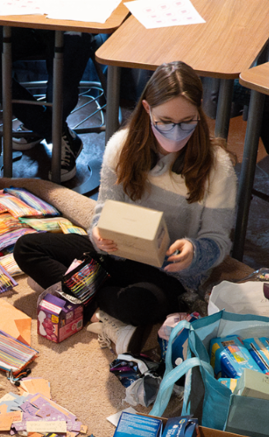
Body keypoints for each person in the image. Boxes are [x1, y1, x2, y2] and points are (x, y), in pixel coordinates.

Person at [13, 61, 237, 355]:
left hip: (169, 275)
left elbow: (218, 242)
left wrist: (194, 252)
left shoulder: (217, 165)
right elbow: (103, 214)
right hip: (117, 257)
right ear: (147, 109)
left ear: (199, 112)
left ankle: (75, 291)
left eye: (187, 121)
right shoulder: (122, 146)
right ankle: (98, 305)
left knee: (138, 305)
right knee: (27, 248)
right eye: (165, 121)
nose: (176, 132)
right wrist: (98, 235)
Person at [0, 28, 95, 183]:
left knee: (59, 92)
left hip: (73, 25)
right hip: (29, 23)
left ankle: (38, 125)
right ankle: (51, 130)